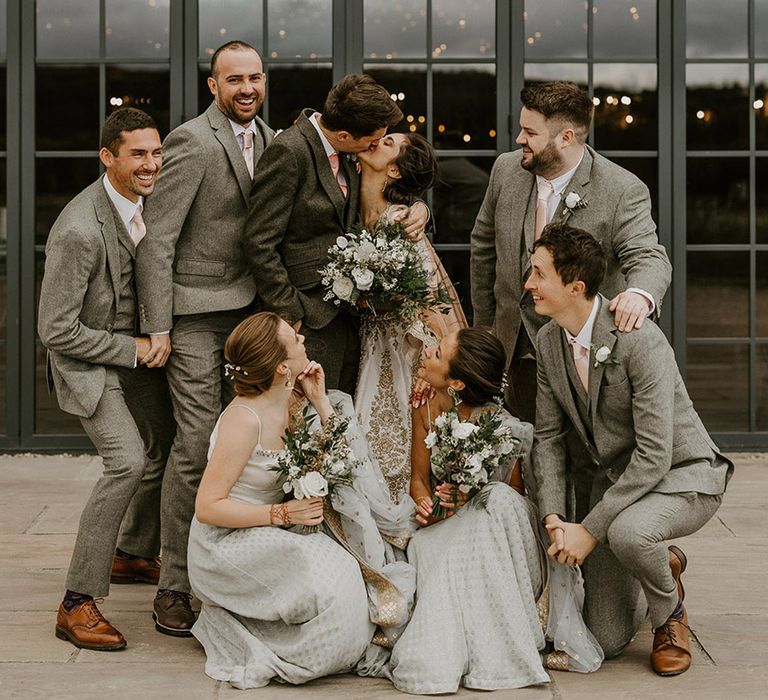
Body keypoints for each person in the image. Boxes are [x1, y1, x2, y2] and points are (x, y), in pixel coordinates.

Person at [529, 222, 733, 675]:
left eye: (539, 274)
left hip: (681, 473)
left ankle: (670, 617)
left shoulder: (639, 339)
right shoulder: (547, 342)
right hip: (617, 487)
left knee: (628, 533)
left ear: (575, 286)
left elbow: (655, 455)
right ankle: (662, 564)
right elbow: (547, 437)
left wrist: (592, 529)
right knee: (607, 638)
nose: (529, 284)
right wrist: (555, 518)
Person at [187, 312, 415, 689]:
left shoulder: (295, 401)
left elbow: (348, 461)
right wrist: (281, 512)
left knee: (350, 583)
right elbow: (208, 507)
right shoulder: (244, 419)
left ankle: (327, 635)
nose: (302, 338)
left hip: (275, 527)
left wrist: (322, 402)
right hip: (223, 544)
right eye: (294, 338)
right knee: (332, 582)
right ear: (281, 366)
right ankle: (289, 645)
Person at [136, 40, 274, 636]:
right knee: (195, 445)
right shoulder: (192, 140)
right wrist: (157, 323)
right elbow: (157, 238)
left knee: (243, 445)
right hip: (193, 315)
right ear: (212, 86)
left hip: (250, 314)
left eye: (255, 77)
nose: (246, 88)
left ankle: (227, 572)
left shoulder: (271, 140)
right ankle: (172, 584)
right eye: (234, 79)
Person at [389, 327, 601, 694]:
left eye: (436, 353)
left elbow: (515, 496)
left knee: (496, 502)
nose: (426, 354)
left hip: (497, 531)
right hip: (442, 523)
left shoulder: (498, 425)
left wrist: (466, 498)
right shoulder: (423, 406)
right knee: (428, 546)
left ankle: (497, 649)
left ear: (455, 384)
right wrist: (429, 503)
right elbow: (419, 479)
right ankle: (452, 645)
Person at [38, 108, 174, 650]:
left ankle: (134, 551)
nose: (150, 164)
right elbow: (55, 330)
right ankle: (76, 602)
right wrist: (135, 348)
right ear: (107, 157)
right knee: (128, 462)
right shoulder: (78, 230)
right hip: (88, 363)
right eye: (137, 154)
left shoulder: (143, 202)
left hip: (128, 354)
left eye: (156, 152)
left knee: (167, 441)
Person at [470, 81, 672, 424]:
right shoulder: (506, 170)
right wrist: (487, 327)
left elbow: (648, 254)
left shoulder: (621, 189)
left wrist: (639, 295)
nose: (519, 139)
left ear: (566, 138)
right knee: (520, 452)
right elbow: (483, 249)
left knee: (576, 459)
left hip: (580, 354)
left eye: (529, 132)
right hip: (512, 347)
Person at [244, 73, 429, 396]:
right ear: (344, 135)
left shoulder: (349, 151)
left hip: (352, 319)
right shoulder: (289, 151)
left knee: (343, 414)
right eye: (372, 142)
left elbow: (386, 189)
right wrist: (292, 313)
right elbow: (259, 242)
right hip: (309, 317)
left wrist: (419, 207)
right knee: (312, 419)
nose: (375, 147)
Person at [354, 132, 466, 506]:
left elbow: (426, 299)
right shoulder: (349, 201)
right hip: (366, 343)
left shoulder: (403, 223)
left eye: (387, 142)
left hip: (400, 351)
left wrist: (423, 368)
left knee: (390, 440)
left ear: (396, 170)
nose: (374, 140)